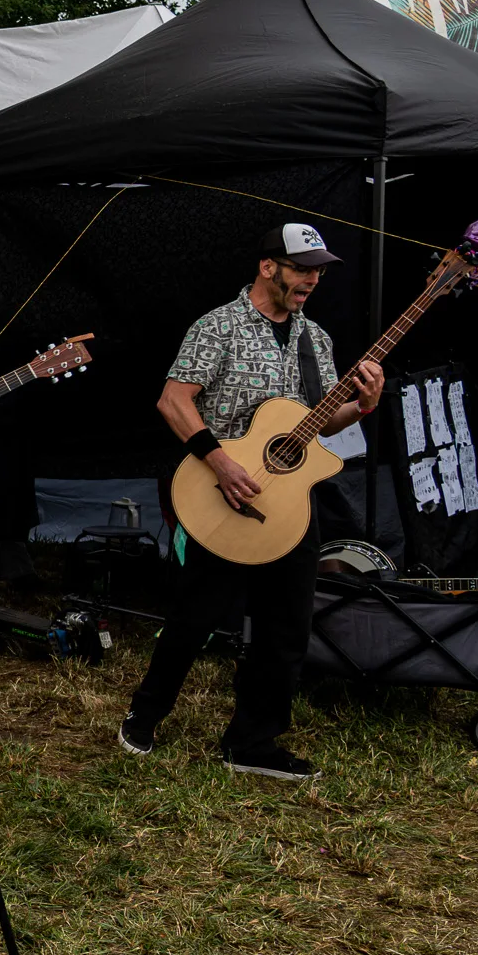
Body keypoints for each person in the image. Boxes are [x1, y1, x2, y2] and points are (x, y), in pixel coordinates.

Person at [116, 224, 384, 779]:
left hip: (289, 502)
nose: (313, 278)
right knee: (196, 617)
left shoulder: (318, 340)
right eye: (302, 267)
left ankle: (253, 742)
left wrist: (361, 405)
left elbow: (320, 422)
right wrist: (221, 462)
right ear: (269, 267)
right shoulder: (218, 328)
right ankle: (145, 714)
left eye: (318, 269)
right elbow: (173, 401)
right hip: (220, 493)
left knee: (288, 626)